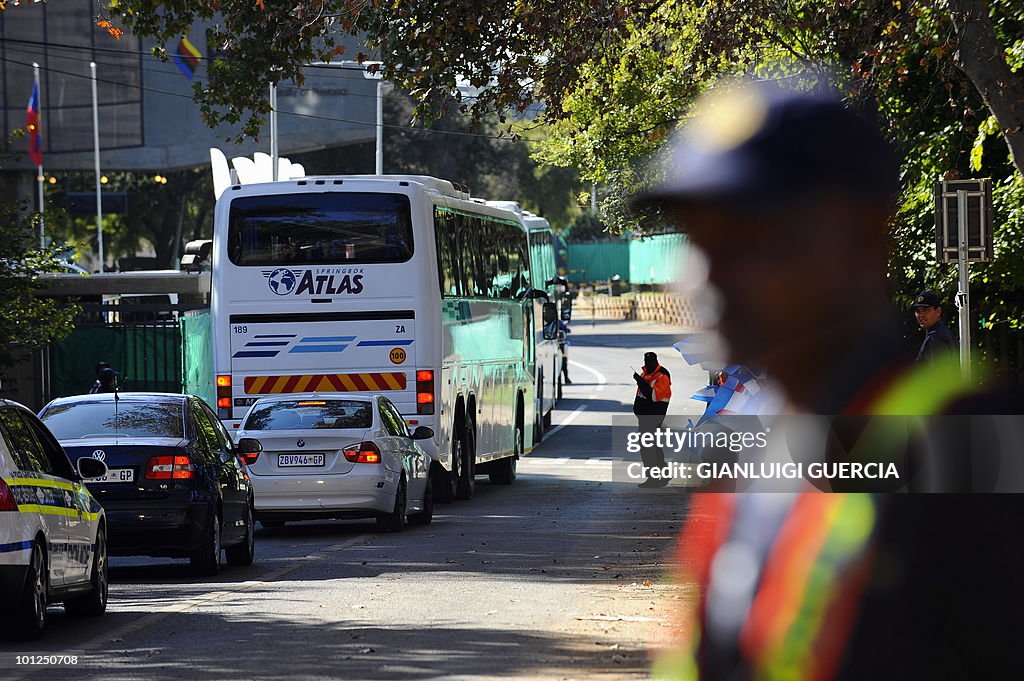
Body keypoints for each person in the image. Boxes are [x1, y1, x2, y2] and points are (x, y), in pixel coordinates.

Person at [636, 78, 1023, 680]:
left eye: (752, 241)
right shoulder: (760, 458)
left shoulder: (977, 449)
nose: (713, 275)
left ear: (865, 238)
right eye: (700, 242)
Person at [632, 351, 672, 488]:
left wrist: (640, 382)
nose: (647, 364)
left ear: (655, 361)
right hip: (644, 417)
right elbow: (641, 395)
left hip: (653, 417)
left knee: (648, 448)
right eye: (646, 361)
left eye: (650, 362)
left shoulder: (662, 376)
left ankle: (654, 478)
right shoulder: (645, 374)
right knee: (651, 447)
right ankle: (663, 473)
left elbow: (653, 396)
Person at [913, 290, 957, 362]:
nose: (921, 315)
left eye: (926, 310)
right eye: (918, 311)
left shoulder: (935, 337)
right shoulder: (944, 332)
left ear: (938, 311)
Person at [558, 318, 572, 384]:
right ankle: (566, 378)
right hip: (559, 345)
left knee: (563, 361)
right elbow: (565, 329)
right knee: (563, 362)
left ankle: (566, 378)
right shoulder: (558, 322)